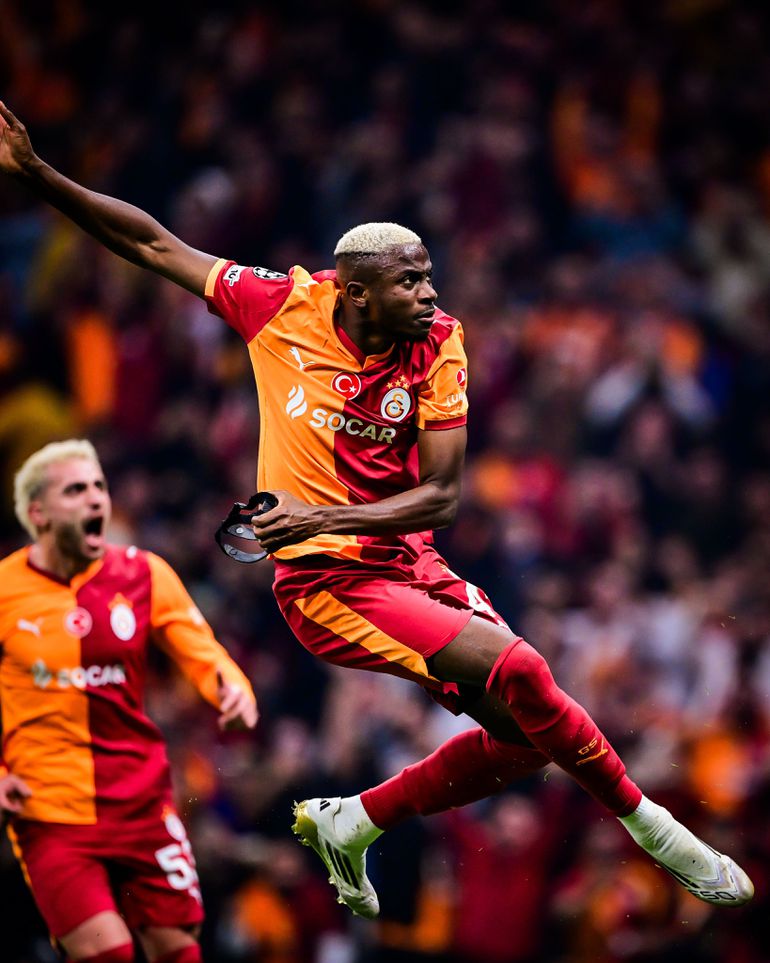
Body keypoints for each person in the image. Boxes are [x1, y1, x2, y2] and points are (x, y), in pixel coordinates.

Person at [0, 102, 753, 924]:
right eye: (411, 281)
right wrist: (39, 173)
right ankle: (655, 830)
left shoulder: (439, 342)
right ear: (356, 293)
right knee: (527, 671)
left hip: (407, 560)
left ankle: (354, 819)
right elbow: (154, 245)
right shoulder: (279, 307)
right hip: (325, 586)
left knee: (528, 736)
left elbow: (443, 496)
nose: (430, 294)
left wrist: (316, 514)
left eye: (429, 276)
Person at [0, 439, 258, 963]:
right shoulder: (5, 589)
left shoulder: (144, 573)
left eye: (99, 486)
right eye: (76, 490)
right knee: (110, 953)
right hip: (51, 813)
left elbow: (202, 651)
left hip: (142, 802)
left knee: (179, 951)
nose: (96, 498)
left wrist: (233, 689)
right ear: (38, 513)